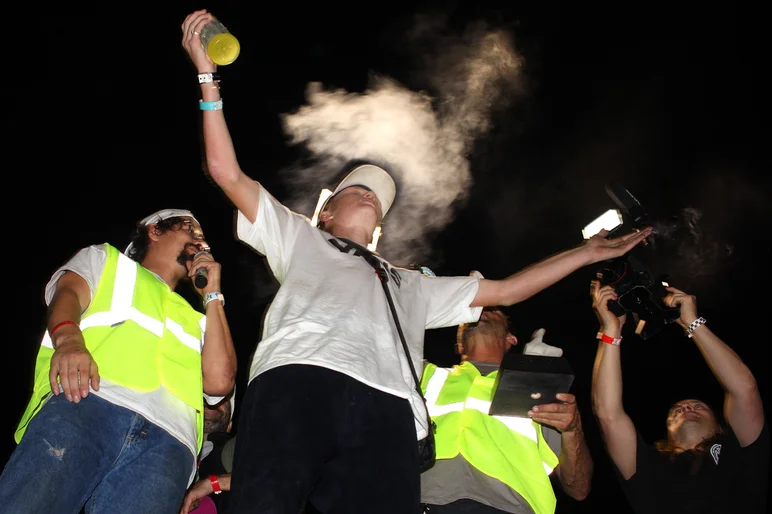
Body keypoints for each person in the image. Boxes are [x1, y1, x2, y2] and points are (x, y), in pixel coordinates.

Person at [180, 10, 652, 513]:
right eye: (354, 190)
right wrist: (208, 77)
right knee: (268, 503)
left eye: (376, 199)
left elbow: (508, 291)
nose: (367, 195)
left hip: (388, 409)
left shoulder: (407, 283)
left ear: (380, 230)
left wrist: (587, 252)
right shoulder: (298, 236)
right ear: (326, 212)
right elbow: (224, 171)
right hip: (298, 378)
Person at [0, 209, 238, 513]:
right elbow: (69, 293)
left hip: (171, 441)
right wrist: (69, 339)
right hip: (87, 400)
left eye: (203, 239)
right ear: (155, 230)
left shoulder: (199, 319)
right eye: (190, 230)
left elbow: (220, 382)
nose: (199, 241)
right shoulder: (106, 260)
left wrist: (213, 296)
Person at [590, 280, 769, 513]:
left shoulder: (738, 450)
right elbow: (608, 414)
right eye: (676, 410)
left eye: (698, 405)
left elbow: (744, 389)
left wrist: (692, 323)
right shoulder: (649, 466)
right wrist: (610, 331)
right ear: (666, 429)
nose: (685, 408)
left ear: (719, 425)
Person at [421, 306, 593, 514]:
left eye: (492, 310)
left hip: (509, 508)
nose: (481, 311)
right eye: (473, 310)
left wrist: (573, 429)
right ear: (458, 344)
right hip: (417, 502)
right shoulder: (423, 375)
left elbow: (578, 488)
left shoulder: (536, 392)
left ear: (511, 339)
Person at [181, 392, 237, 514]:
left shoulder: (239, 447)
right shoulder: (165, 451)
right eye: (204, 399)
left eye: (221, 400)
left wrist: (213, 483)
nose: (211, 402)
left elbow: (275, 475)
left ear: (229, 426)